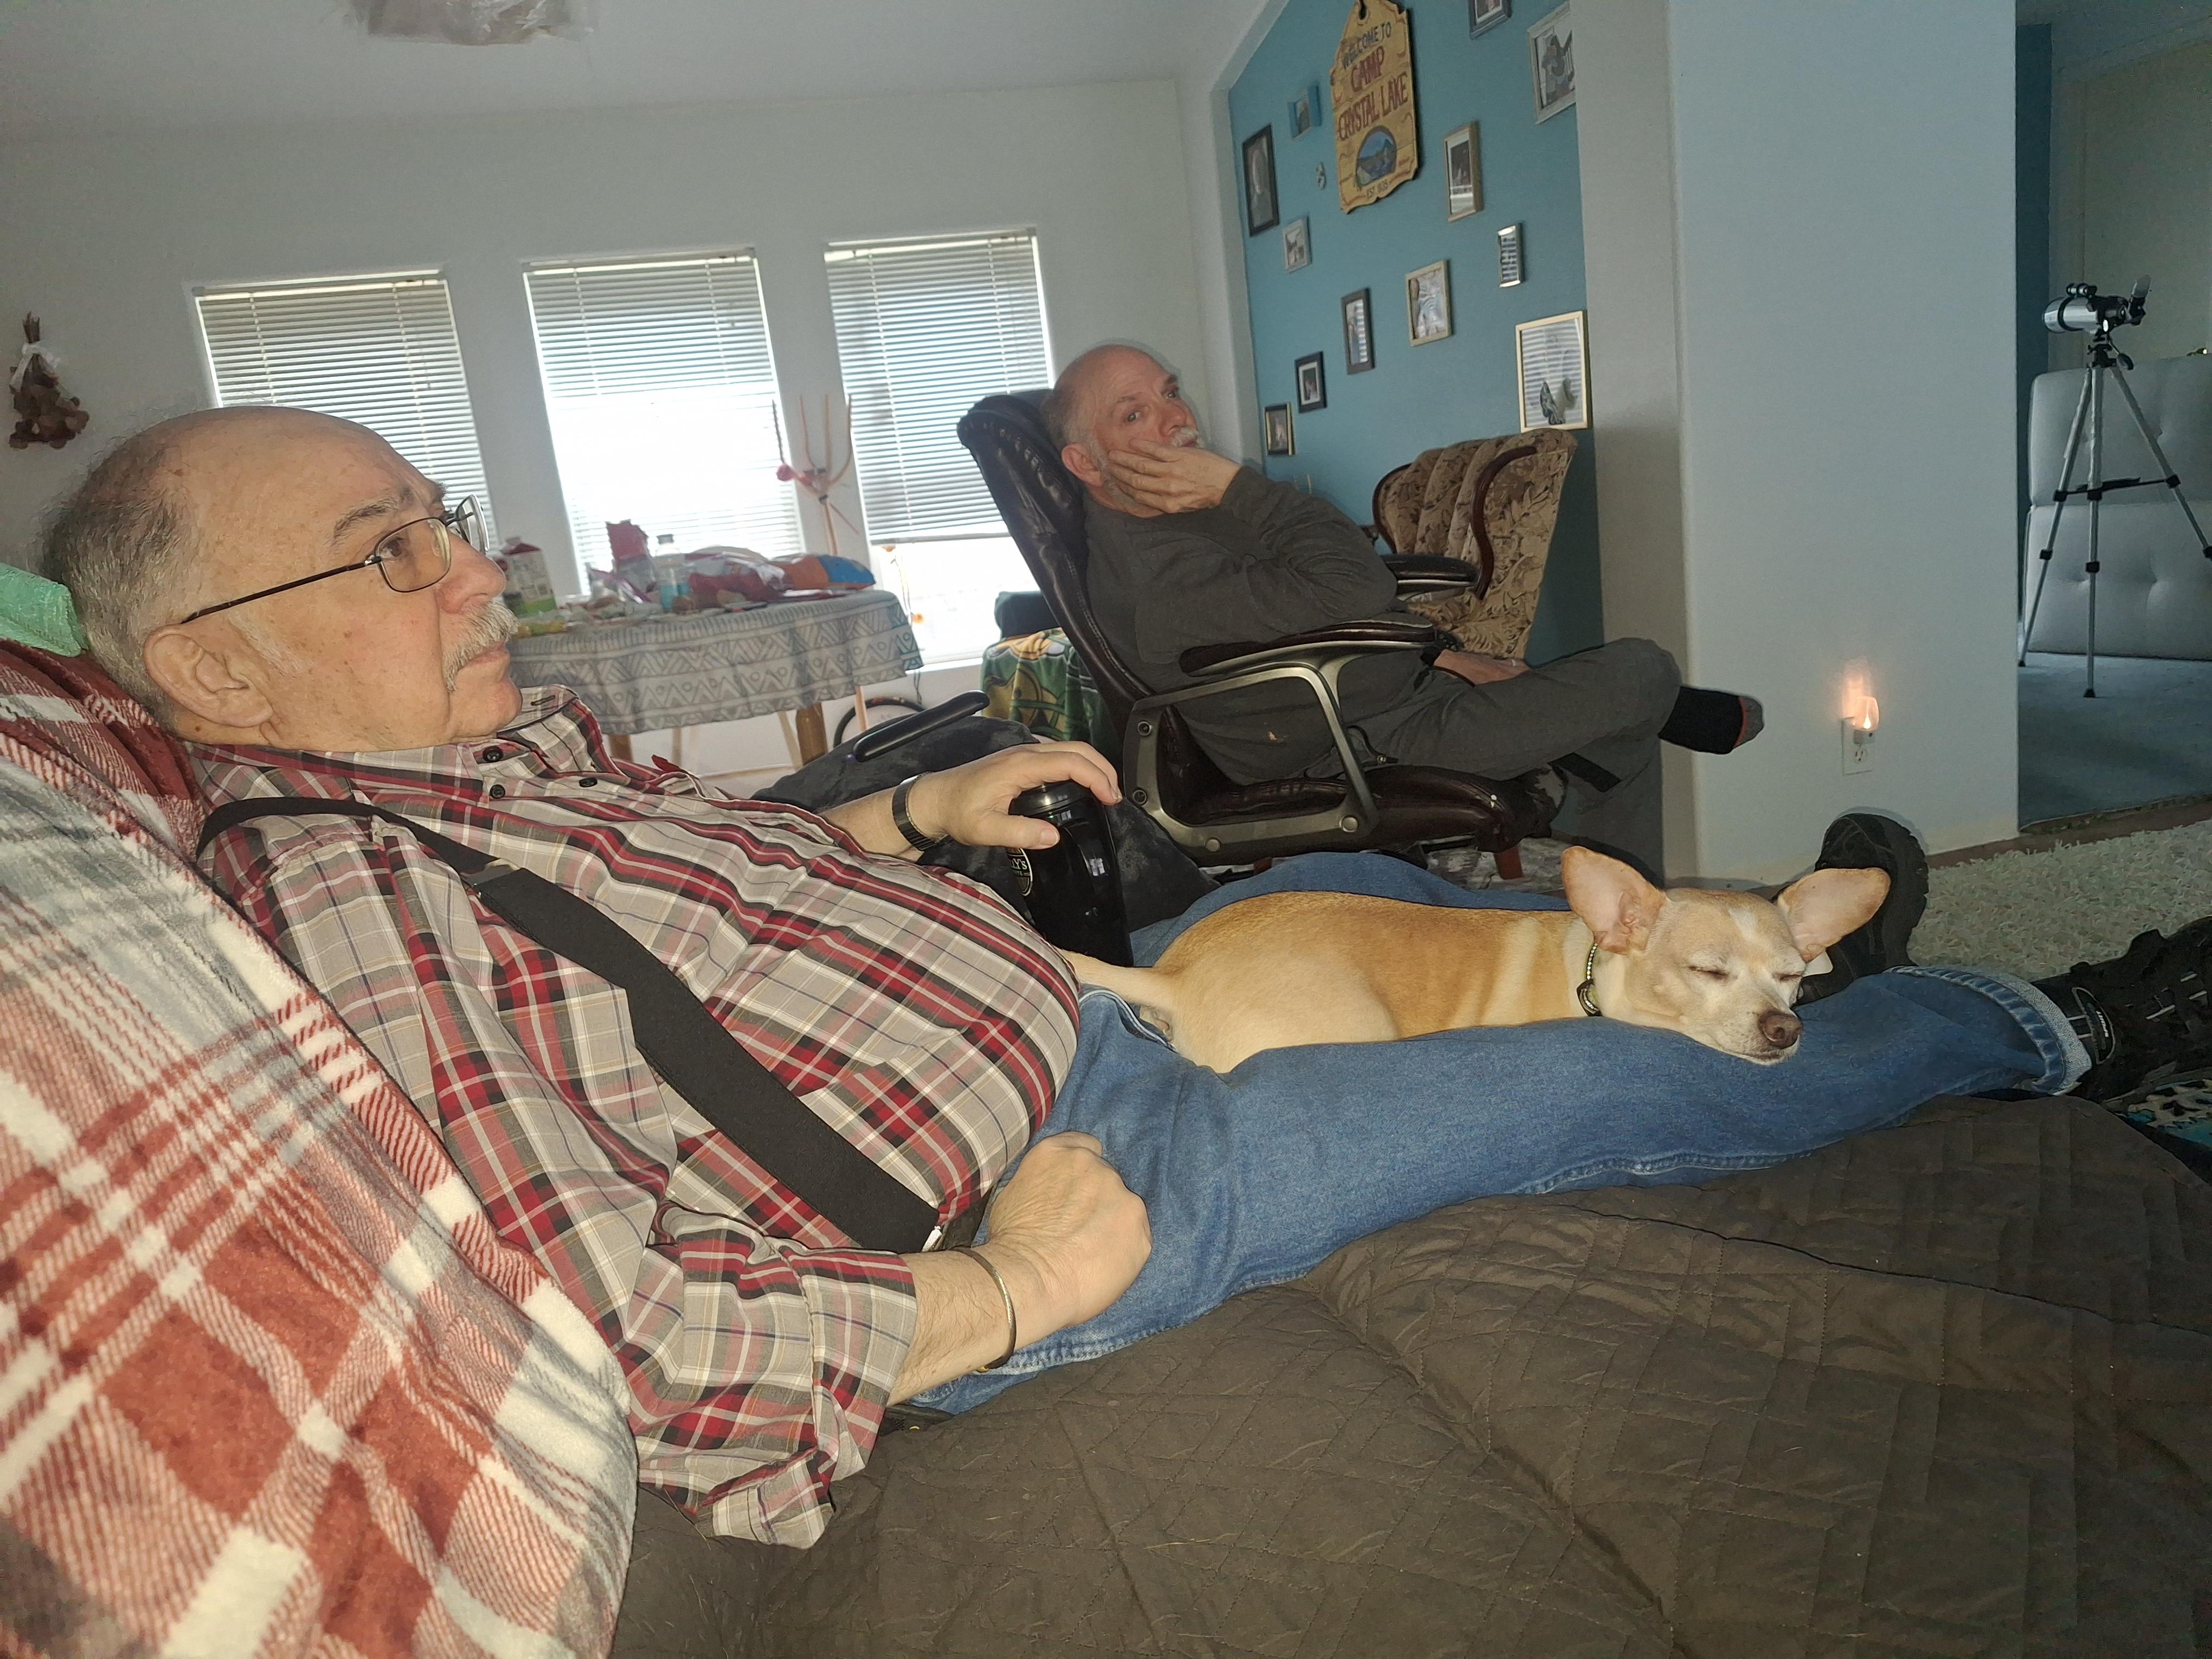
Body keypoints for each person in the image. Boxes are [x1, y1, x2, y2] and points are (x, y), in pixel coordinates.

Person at [46, 407, 2212, 1549]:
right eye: (393, 549)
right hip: (1059, 1174)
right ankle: (2055, 1019)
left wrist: (906, 817)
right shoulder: (355, 897)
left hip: (1091, 1000)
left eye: (439, 511)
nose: (472, 566)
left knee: (1377, 869)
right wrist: (1004, 1295)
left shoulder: (499, 761)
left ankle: (1799, 944)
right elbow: (626, 1344)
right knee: (1648, 1069)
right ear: (219, 671)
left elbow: (701, 898)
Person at [1051, 343, 1767, 878]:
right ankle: (1635, 889)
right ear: (1084, 463)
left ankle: (1620, 916)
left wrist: (1444, 655)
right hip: (1357, 741)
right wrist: (1241, 487)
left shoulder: (1179, 515)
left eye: (1171, 393)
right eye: (1135, 414)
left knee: (1616, 726)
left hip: (1387, 689)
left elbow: (1317, 599)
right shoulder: (1161, 578)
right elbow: (1353, 591)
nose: (1177, 420)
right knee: (1641, 673)